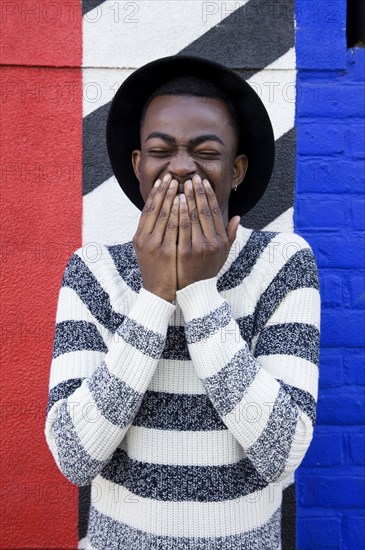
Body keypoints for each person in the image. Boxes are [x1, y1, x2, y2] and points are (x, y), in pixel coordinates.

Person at [45, 55, 320, 550]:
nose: (181, 167)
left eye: (205, 151)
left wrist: (198, 292)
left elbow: (282, 452)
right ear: (138, 166)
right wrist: (153, 296)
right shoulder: (93, 271)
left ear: (236, 170)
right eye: (161, 150)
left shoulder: (282, 262)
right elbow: (74, 457)